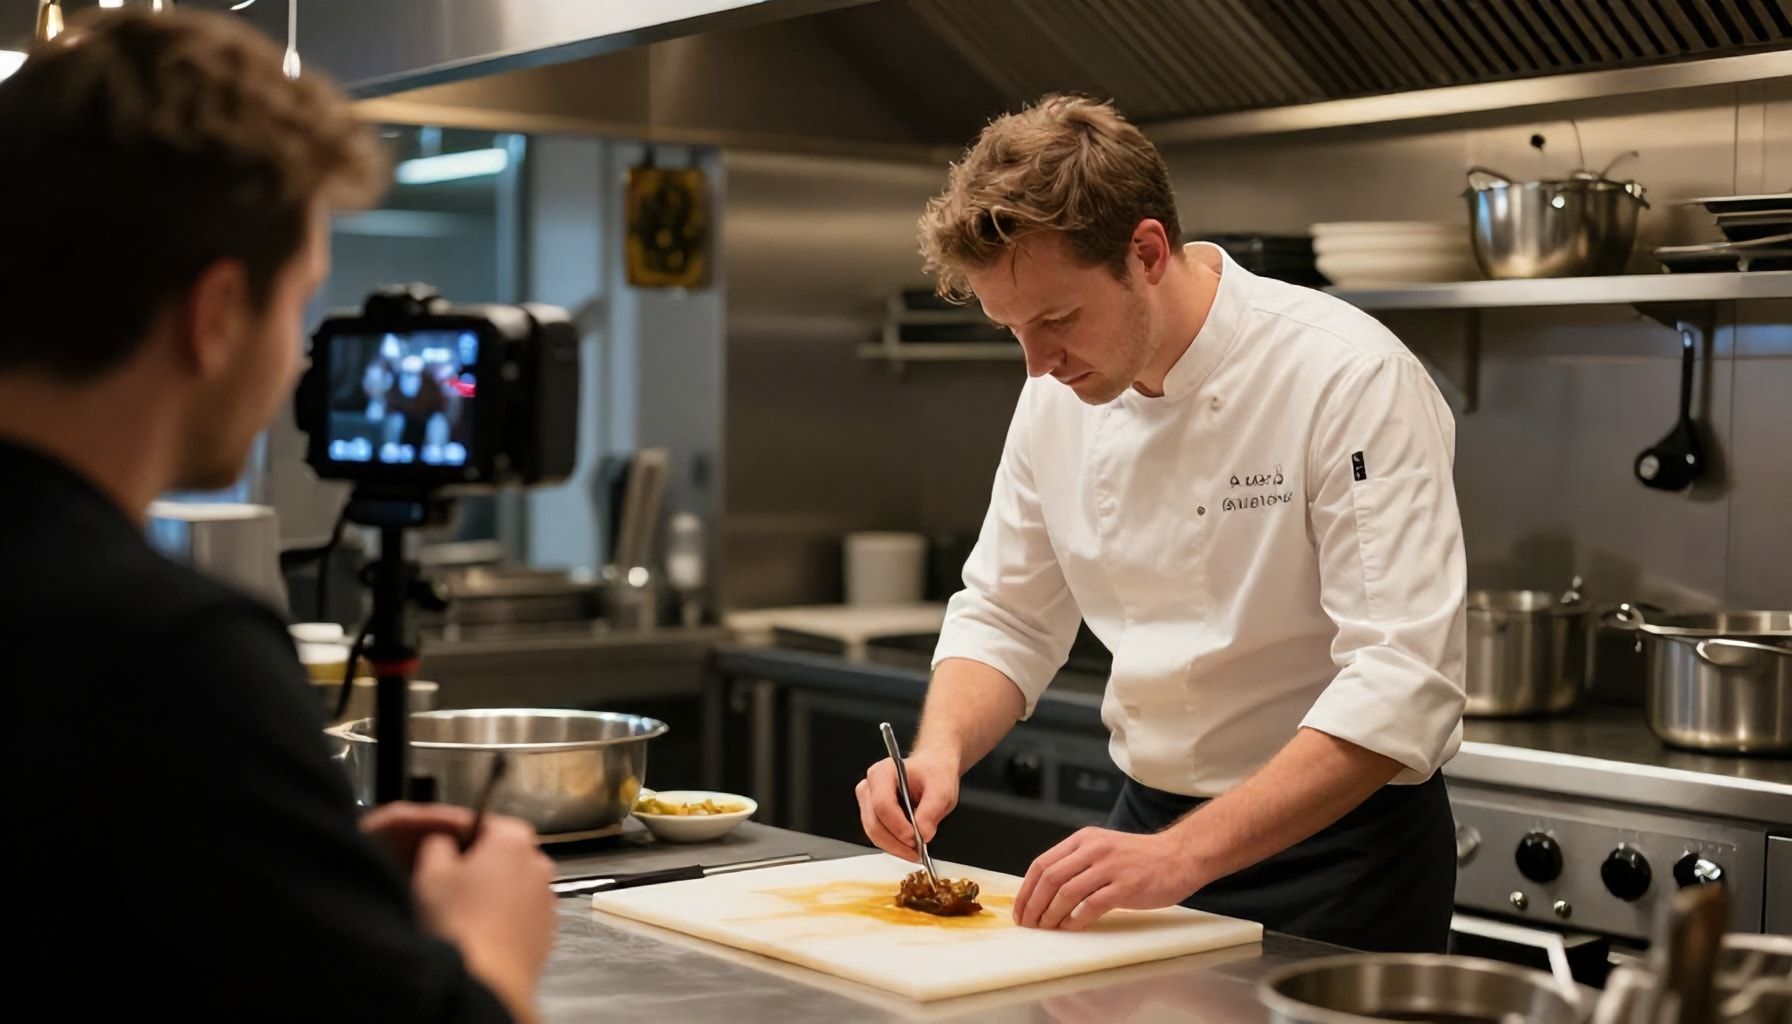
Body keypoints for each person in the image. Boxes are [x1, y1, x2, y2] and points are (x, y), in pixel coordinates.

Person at [0, 10, 555, 1021]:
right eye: (298, 303)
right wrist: (493, 936)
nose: (298, 363)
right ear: (215, 316)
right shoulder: (163, 652)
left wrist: (294, 865)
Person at [855, 95, 1467, 953]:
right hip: (1151, 830)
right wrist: (939, 753)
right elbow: (1007, 613)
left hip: (1342, 855)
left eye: (1057, 320)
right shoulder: (1056, 393)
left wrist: (1182, 856)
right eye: (1013, 332)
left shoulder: (1347, 376)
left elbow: (1401, 683)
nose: (1037, 364)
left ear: (1145, 251)